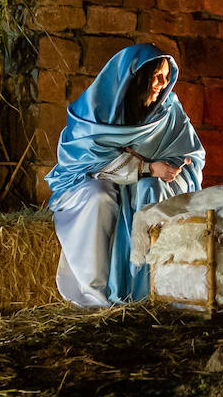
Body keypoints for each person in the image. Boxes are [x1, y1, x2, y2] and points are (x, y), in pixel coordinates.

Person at [45, 43, 205, 306]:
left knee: (150, 191)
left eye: (166, 77)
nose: (162, 83)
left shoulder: (169, 111)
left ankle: (154, 290)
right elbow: (88, 160)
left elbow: (192, 156)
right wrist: (146, 168)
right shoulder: (96, 110)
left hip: (147, 187)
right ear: (137, 76)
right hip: (93, 184)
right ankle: (94, 295)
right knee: (100, 197)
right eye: (156, 76)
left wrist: (170, 169)